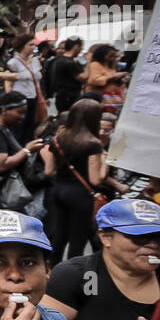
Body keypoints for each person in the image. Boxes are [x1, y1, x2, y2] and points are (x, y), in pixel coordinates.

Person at [40, 98, 109, 262]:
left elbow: (49, 171)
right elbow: (96, 179)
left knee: (60, 234)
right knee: (78, 239)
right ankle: (72, 273)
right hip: (80, 194)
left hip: (58, 190)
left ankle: (52, 271)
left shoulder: (58, 139)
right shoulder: (93, 144)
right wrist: (107, 162)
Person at [0, 90, 45, 181]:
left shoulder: (4, 129)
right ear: (4, 110)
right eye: (19, 112)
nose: (23, 117)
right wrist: (27, 150)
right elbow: (0, 165)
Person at [7, 34, 45, 142]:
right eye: (30, 45)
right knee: (19, 128)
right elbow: (8, 84)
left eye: (34, 44)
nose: (33, 47)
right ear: (23, 46)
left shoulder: (35, 61)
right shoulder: (13, 62)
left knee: (31, 127)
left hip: (34, 97)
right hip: (20, 98)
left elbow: (37, 79)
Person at [47, 37, 86, 113]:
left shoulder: (59, 61)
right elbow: (83, 78)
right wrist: (89, 62)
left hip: (63, 96)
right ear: (76, 47)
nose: (81, 49)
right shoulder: (68, 62)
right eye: (80, 47)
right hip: (68, 98)